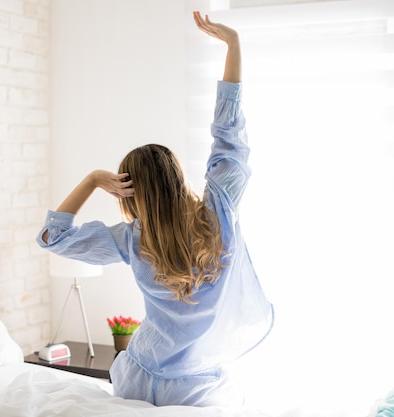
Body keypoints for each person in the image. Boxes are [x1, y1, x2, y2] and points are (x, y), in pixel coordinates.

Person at [37, 11, 273, 408]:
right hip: (195, 387)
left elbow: (52, 238)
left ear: (128, 192)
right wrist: (233, 45)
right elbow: (228, 136)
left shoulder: (130, 239)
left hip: (137, 378)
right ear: (177, 177)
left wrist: (93, 180)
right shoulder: (219, 214)